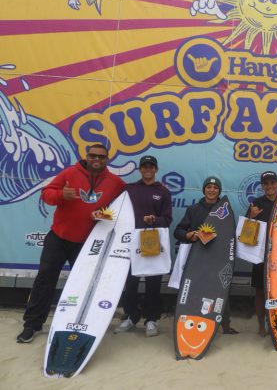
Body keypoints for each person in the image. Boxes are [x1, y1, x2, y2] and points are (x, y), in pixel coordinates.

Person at [16, 144, 125, 343]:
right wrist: (60, 195)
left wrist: (106, 215)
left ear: (107, 159)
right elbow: (46, 194)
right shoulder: (69, 173)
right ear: (86, 155)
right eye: (93, 155)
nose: (97, 160)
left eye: (101, 157)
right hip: (58, 237)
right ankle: (32, 325)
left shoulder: (115, 182)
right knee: (44, 281)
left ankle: (84, 324)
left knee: (84, 286)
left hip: (88, 243)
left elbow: (122, 207)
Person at [114, 156, 172, 337]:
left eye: (151, 166)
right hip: (129, 241)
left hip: (152, 240)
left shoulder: (163, 191)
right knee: (130, 281)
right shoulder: (128, 189)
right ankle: (131, 316)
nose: (148, 169)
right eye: (144, 166)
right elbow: (117, 212)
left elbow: (167, 219)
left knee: (153, 282)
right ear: (140, 169)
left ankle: (152, 319)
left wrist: (155, 219)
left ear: (156, 169)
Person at [173, 176, 238, 334]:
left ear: (219, 191)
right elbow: (178, 231)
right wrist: (190, 235)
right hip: (197, 258)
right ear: (204, 190)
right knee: (194, 290)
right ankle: (191, 321)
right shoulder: (193, 209)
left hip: (218, 258)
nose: (212, 190)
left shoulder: (225, 211)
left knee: (221, 290)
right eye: (208, 187)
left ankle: (225, 325)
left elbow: (231, 235)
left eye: (215, 188)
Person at [245, 171, 277, 337]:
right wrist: (251, 216)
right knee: (259, 290)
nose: (269, 186)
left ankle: (276, 324)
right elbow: (246, 229)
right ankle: (261, 326)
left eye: (272, 182)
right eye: (266, 183)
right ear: (262, 186)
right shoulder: (256, 203)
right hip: (260, 254)